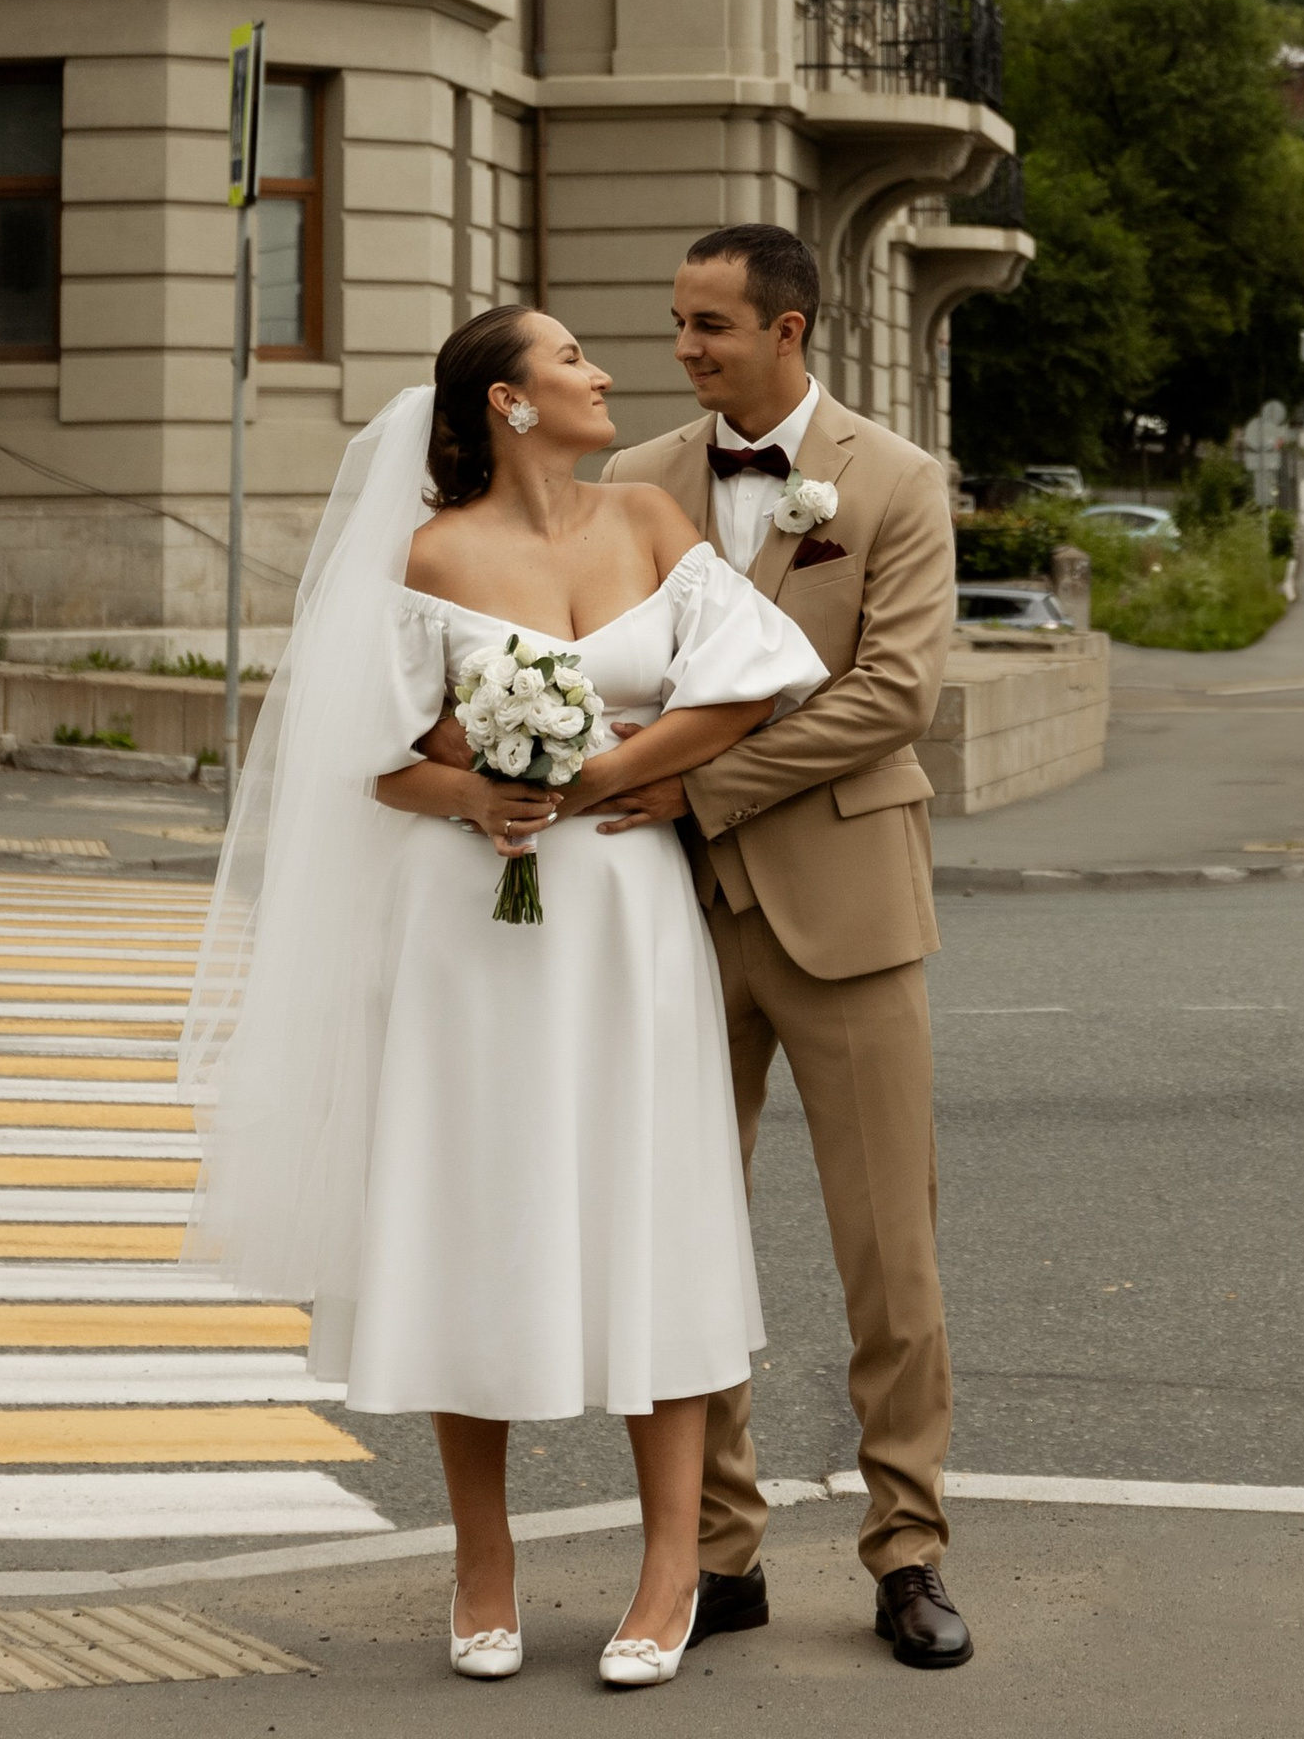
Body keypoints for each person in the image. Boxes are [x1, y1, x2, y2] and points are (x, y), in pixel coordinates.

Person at [182, 306, 829, 1691]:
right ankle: (483, 1558)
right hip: (470, 927)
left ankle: (669, 1571)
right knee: (471, 1216)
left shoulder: (654, 520)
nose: (604, 373)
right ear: (509, 404)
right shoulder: (427, 557)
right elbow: (373, 753)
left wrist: (589, 773)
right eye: (573, 358)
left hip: (626, 916)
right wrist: (481, 788)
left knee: (642, 1208)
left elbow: (754, 680)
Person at [602, 223, 973, 1674]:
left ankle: (909, 1552)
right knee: (685, 1241)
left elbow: (896, 695)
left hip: (850, 913)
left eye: (709, 326)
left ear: (792, 331)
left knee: (891, 1257)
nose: (684, 348)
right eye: (678, 322)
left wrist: (698, 785)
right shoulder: (635, 482)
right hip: (668, 917)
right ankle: (719, 1549)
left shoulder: (896, 480)